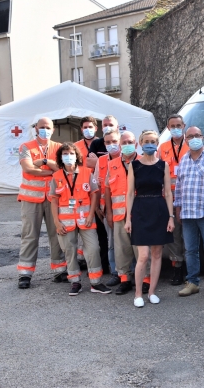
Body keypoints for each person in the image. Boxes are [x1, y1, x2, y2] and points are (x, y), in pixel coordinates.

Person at [49, 142, 111, 296]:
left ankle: (96, 282)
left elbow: (94, 194)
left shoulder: (86, 173)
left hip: (86, 220)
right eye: (65, 154)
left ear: (76, 156)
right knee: (69, 251)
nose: (68, 156)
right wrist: (56, 222)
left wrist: (91, 215)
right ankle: (75, 281)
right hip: (65, 222)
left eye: (71, 153)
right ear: (60, 157)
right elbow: (54, 201)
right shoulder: (56, 176)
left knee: (93, 249)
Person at [125, 130, 175, 307]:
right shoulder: (134, 165)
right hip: (140, 210)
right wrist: (128, 218)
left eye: (153, 141)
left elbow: (168, 193)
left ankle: (152, 292)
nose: (150, 144)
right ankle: (138, 293)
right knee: (143, 255)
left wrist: (171, 217)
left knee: (157, 253)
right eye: (146, 141)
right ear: (140, 142)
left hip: (159, 210)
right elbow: (130, 193)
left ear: (157, 143)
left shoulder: (163, 165)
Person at [16, 117, 67, 289]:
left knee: (57, 234)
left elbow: (63, 169)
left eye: (48, 127)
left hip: (53, 199)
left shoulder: (59, 148)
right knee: (30, 236)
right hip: (31, 199)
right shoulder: (26, 147)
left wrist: (44, 163)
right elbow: (28, 169)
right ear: (36, 128)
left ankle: (60, 270)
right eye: (41, 127)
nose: (45, 129)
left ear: (53, 130)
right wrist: (51, 171)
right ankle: (25, 274)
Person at [174, 126, 204, 298]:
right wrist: (178, 207)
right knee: (190, 250)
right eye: (190, 136)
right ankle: (192, 282)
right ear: (185, 139)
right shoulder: (184, 159)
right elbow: (179, 186)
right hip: (187, 213)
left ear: (203, 137)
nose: (194, 138)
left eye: (197, 135)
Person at [105, 131, 147, 295]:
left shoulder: (144, 162)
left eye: (130, 141)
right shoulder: (112, 164)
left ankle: (145, 279)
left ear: (136, 144)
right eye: (124, 142)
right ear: (120, 145)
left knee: (141, 249)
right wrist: (108, 212)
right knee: (121, 249)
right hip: (119, 214)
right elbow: (107, 190)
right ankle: (124, 279)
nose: (127, 144)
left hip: (140, 213)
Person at [76, 115, 110, 274]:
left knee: (104, 231)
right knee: (88, 227)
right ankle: (84, 260)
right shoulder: (77, 146)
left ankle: (107, 264)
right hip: (84, 191)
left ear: (96, 128)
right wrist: (104, 162)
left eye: (90, 127)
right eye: (84, 127)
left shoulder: (108, 142)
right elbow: (87, 163)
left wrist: (100, 161)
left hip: (103, 190)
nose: (87, 130)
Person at [158, 114, 188, 285]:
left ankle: (191, 268)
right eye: (172, 126)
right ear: (168, 128)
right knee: (174, 234)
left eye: (179, 125)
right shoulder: (162, 148)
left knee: (190, 234)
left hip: (189, 196)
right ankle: (177, 267)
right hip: (169, 197)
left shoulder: (191, 144)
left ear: (184, 125)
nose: (176, 128)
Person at [94, 128, 121, 286]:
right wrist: (98, 207)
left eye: (114, 142)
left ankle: (129, 271)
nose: (111, 145)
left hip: (126, 209)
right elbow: (97, 185)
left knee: (128, 243)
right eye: (108, 142)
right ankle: (115, 272)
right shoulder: (102, 161)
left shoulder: (130, 159)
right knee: (111, 243)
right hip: (107, 210)